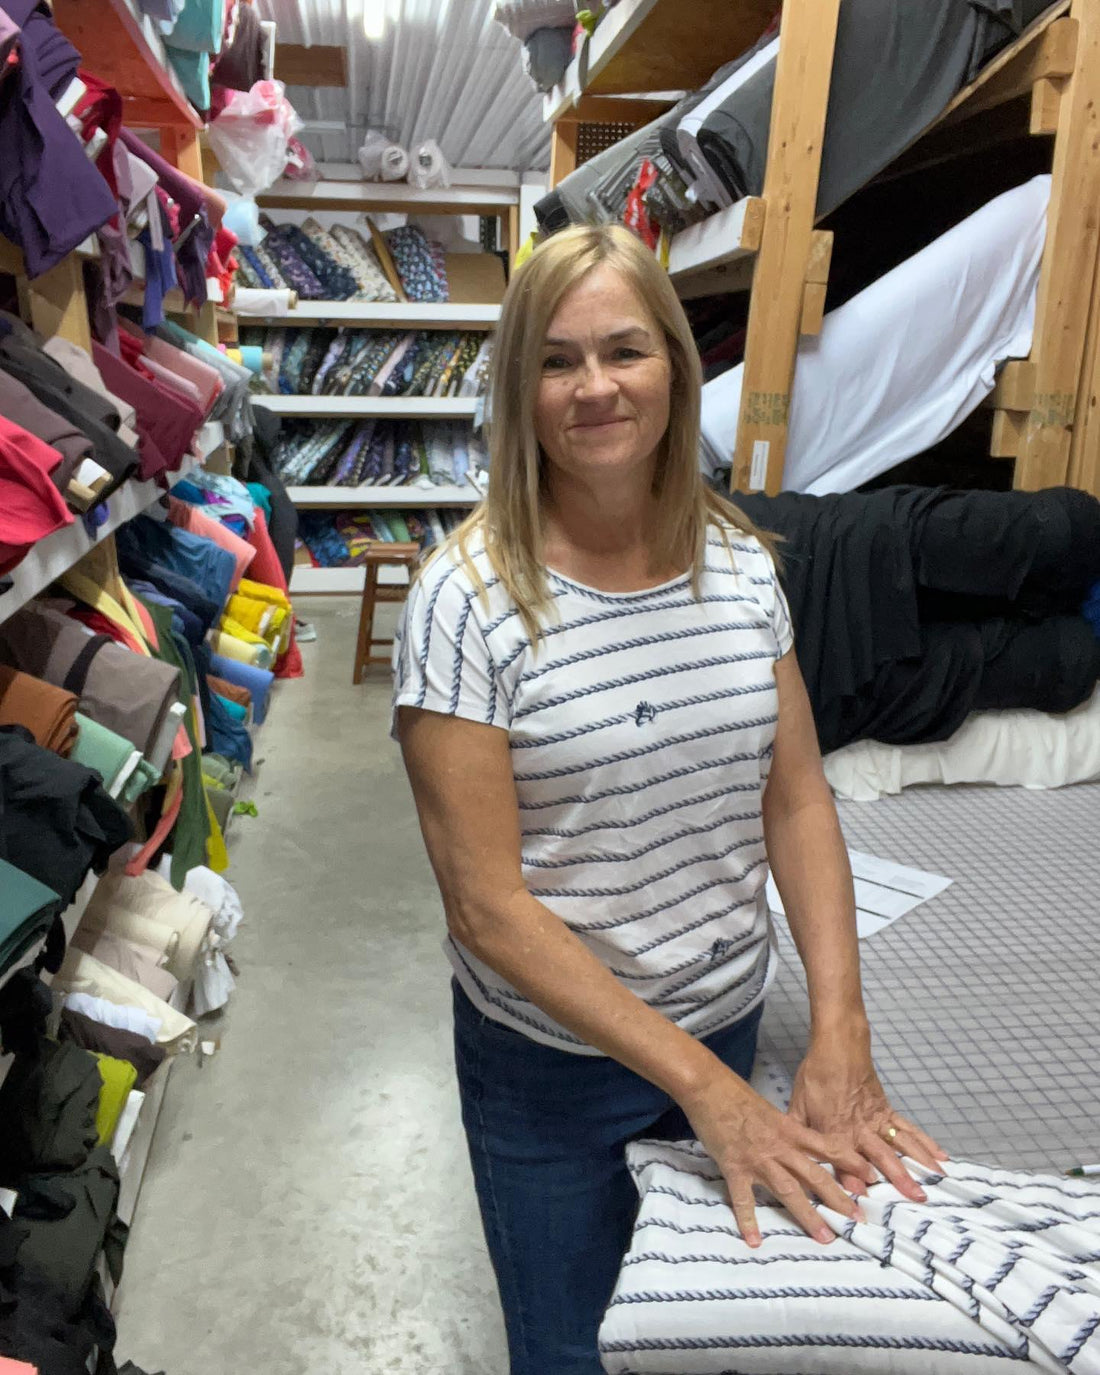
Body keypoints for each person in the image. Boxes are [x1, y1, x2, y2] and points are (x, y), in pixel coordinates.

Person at [393, 223, 947, 1374]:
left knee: (698, 1335)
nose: (593, 386)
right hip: (551, 1067)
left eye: (622, 350)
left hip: (723, 1012)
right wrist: (709, 1094)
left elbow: (794, 801)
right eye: (554, 361)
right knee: (569, 1349)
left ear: (675, 367)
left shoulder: (742, 569)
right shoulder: (466, 599)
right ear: (518, 388)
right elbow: (485, 908)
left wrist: (837, 1025)